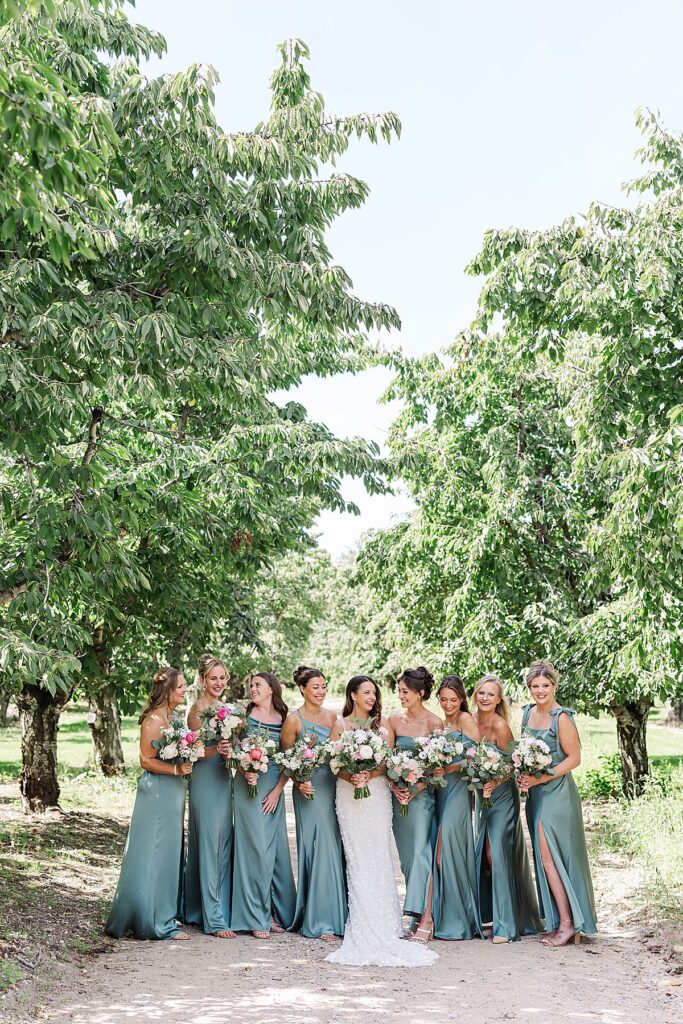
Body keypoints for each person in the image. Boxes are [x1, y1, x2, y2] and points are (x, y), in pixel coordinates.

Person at [325, 675, 437, 967]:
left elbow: (386, 762)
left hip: (376, 796)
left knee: (378, 855)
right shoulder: (341, 724)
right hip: (348, 797)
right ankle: (361, 921)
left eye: (374, 693)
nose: (372, 697)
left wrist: (369, 775)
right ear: (352, 695)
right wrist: (352, 775)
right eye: (366, 693)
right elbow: (334, 762)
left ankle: (386, 925)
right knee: (357, 857)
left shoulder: (383, 725)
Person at [106, 667, 192, 940]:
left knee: (168, 853)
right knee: (154, 853)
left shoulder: (174, 716)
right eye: (181, 687)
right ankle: (153, 921)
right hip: (157, 792)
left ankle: (163, 912)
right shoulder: (155, 719)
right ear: (167, 690)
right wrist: (178, 770)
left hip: (174, 792)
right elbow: (146, 760)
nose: (185, 690)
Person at [519, 660, 598, 946]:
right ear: (529, 687)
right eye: (535, 686)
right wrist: (523, 774)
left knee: (549, 857)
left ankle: (567, 924)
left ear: (554, 686)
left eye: (546, 686)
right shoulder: (527, 714)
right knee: (546, 858)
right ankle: (558, 920)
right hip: (536, 795)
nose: (540, 691)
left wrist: (540, 778)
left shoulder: (561, 717)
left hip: (557, 793)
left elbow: (574, 759)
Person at [472, 674, 542, 943]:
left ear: (499, 699)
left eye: (491, 694)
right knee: (484, 853)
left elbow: (512, 763)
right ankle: (491, 916)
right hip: (482, 797)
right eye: (481, 693)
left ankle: (506, 926)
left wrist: (493, 781)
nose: (485, 698)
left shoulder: (501, 727)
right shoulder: (472, 722)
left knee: (495, 852)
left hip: (501, 796)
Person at [282, 666, 347, 940]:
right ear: (303, 689)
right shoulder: (293, 720)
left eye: (324, 686)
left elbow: (336, 757)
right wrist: (299, 781)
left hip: (330, 786)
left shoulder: (333, 718)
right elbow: (286, 761)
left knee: (333, 845)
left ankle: (336, 915)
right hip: (308, 789)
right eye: (315, 687)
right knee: (318, 847)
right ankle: (320, 920)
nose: (321, 692)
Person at [231, 671, 296, 939]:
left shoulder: (284, 719)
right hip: (248, 787)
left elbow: (289, 759)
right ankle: (257, 916)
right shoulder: (243, 719)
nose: (253, 688)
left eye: (258, 684)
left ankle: (273, 912)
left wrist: (278, 790)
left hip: (272, 790)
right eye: (251, 685)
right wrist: (244, 769)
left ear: (271, 689)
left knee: (273, 852)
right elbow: (233, 752)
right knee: (255, 850)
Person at [388, 666, 442, 944]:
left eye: (406, 692)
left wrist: (416, 787)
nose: (401, 696)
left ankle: (428, 919)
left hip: (421, 799)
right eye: (399, 691)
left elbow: (437, 768)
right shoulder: (393, 721)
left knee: (422, 856)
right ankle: (415, 915)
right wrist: (396, 786)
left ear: (420, 693)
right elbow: (385, 760)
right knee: (409, 860)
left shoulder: (435, 723)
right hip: (399, 800)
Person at [184, 654, 236, 938]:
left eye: (222, 678)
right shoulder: (197, 710)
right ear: (202, 680)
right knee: (208, 842)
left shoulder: (224, 709)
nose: (218, 682)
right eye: (213, 678)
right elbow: (197, 751)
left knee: (223, 842)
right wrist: (220, 750)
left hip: (223, 779)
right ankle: (213, 918)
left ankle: (205, 908)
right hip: (204, 779)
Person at [431, 674, 482, 941]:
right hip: (440, 790)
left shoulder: (465, 720)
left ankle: (459, 920)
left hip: (459, 791)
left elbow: (475, 756)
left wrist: (449, 767)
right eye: (443, 699)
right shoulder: (440, 723)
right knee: (442, 852)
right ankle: (445, 916)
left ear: (461, 699)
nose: (448, 704)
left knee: (446, 849)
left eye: (453, 700)